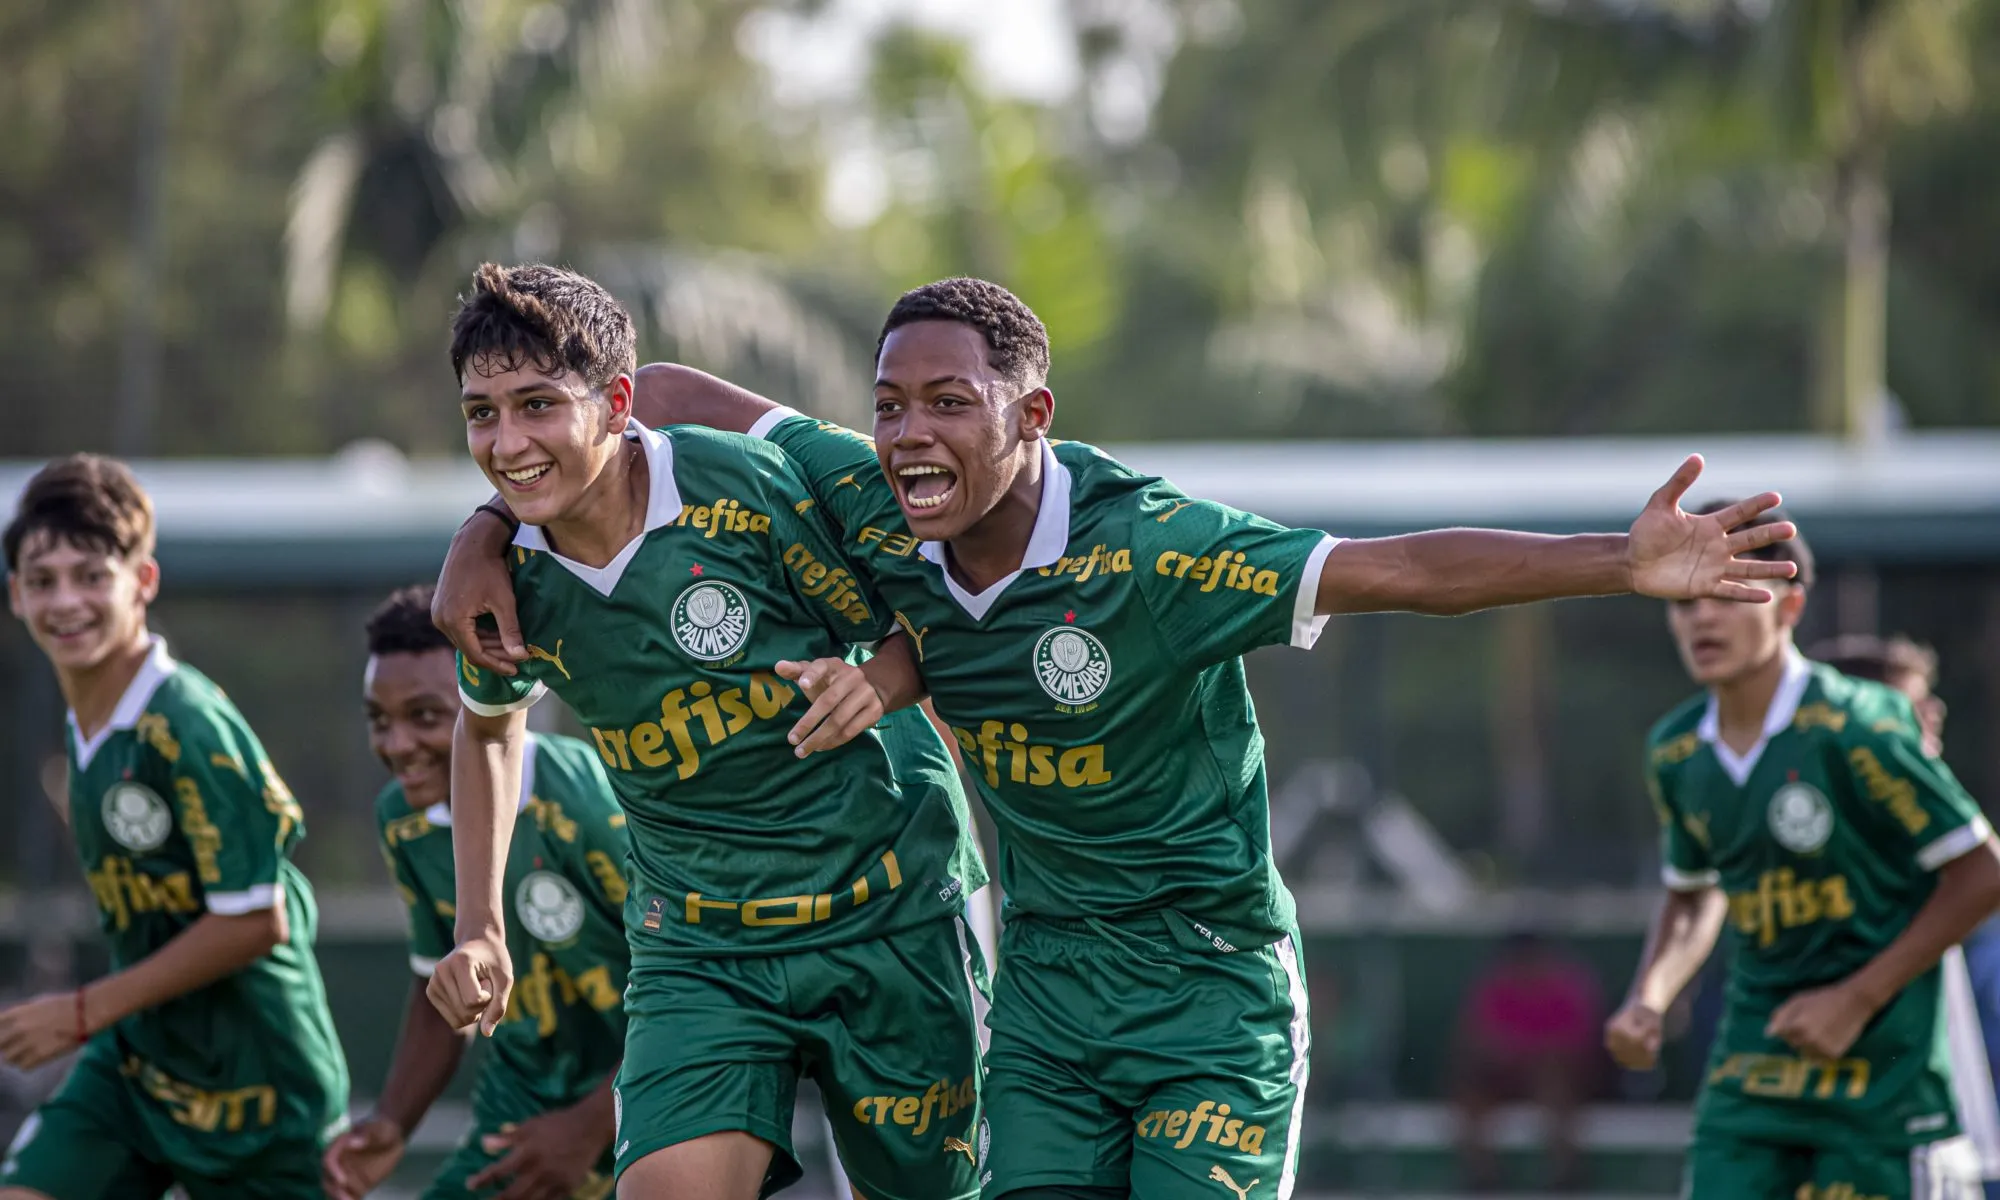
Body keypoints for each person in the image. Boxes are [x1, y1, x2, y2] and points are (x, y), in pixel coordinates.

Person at [436, 276, 1798, 1198]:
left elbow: (1401, 571)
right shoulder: (877, 504)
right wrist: (483, 531)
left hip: (1204, 982)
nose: (907, 434)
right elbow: (659, 383)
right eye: (890, 405)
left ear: (1032, 418)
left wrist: (1618, 563)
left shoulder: (1157, 551)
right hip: (1042, 986)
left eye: (947, 405)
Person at [425, 265, 989, 1200]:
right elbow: (489, 731)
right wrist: (481, 927)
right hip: (700, 943)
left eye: (536, 406)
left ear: (614, 403)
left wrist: (875, 681)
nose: (508, 441)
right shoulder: (501, 580)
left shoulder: (746, 487)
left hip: (890, 906)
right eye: (481, 414)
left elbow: (939, 613)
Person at [1605, 509, 2000, 1199]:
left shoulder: (1858, 725)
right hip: (1751, 1076)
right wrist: (1651, 995)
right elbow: (1695, 889)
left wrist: (1853, 999)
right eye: (1686, 601)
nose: (1702, 619)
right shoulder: (1675, 751)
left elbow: (1982, 872)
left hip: (1879, 1077)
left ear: (1789, 605)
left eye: (1726, 596)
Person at [0, 455, 350, 1200]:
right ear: (16, 597)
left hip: (257, 1086)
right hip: (139, 1065)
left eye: (91, 575)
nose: (66, 601)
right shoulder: (84, 722)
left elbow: (258, 919)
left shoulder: (186, 723)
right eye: (43, 580)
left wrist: (81, 1012)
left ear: (144, 583)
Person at [321, 586, 630, 1200]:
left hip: (651, 1098)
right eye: (379, 721)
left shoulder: (579, 801)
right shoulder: (403, 822)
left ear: (480, 705)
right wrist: (392, 1122)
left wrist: (590, 1128)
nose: (397, 745)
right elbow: (439, 984)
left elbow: (695, 973)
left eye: (426, 716)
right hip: (522, 1111)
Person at [1810, 633, 2000, 1194]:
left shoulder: (1931, 833)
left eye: (1930, 701)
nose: (1932, 714)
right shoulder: (1827, 838)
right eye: (1907, 704)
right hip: (1870, 1139)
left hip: (1945, 1140)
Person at [1451, 932, 1604, 1191]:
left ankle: (1565, 1177)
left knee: (1553, 1082)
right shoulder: (1496, 987)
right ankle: (1482, 1180)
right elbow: (1476, 1039)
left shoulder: (1569, 986)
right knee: (1470, 1096)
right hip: (1503, 1078)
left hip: (1559, 1079)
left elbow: (1578, 1043)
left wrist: (1532, 1053)